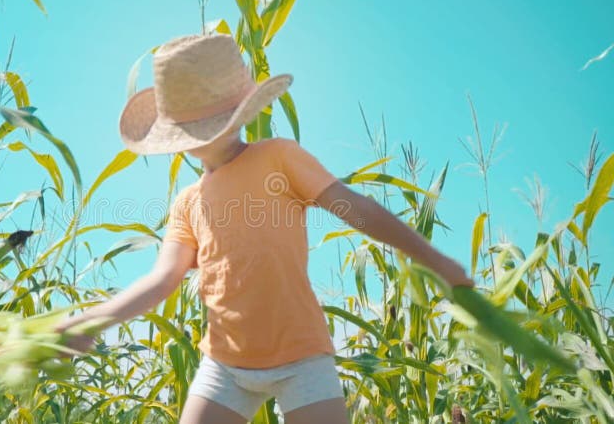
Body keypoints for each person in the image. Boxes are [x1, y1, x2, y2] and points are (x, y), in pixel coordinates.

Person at [55, 34, 474, 424]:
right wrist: (92, 320)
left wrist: (436, 262)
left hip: (301, 359)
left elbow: (357, 210)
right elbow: (162, 280)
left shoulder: (279, 157)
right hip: (224, 364)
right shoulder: (187, 202)